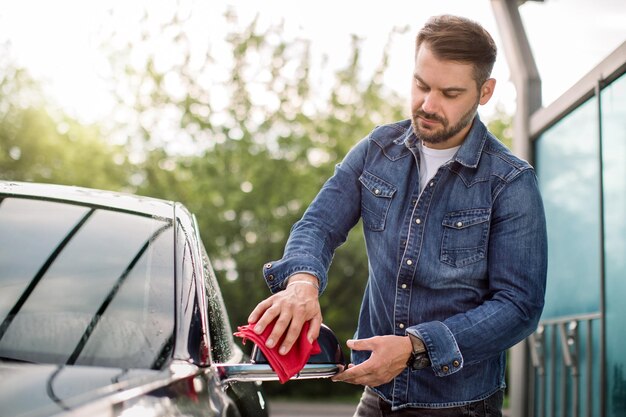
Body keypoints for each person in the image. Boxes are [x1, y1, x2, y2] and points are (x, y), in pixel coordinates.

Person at [247, 14, 547, 416]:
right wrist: (302, 283)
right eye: (421, 85)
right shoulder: (376, 150)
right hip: (379, 397)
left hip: (461, 406)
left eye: (450, 92)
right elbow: (318, 224)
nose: (428, 104)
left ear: (485, 91)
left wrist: (413, 349)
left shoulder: (510, 182)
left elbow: (518, 306)